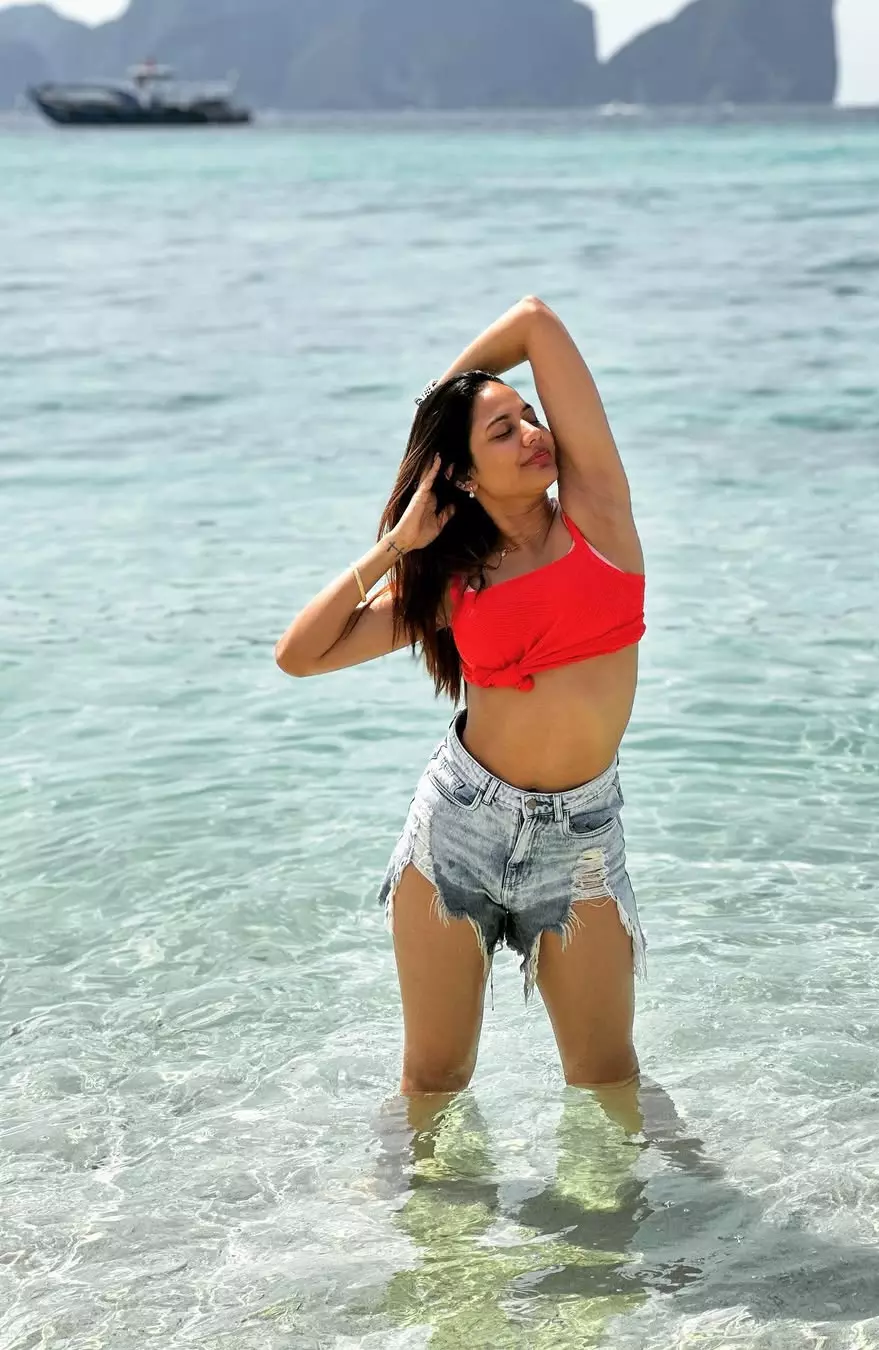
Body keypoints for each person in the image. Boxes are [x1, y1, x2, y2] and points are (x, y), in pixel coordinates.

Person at [275, 296, 648, 1120]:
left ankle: (633, 1213)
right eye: (503, 432)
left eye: (529, 416)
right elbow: (300, 654)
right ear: (465, 476)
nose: (533, 434)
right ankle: (421, 1208)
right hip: (459, 829)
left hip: (581, 840)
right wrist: (396, 545)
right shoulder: (453, 585)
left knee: (606, 1080)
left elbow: (535, 321)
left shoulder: (598, 516)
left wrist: (439, 410)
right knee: (435, 1081)